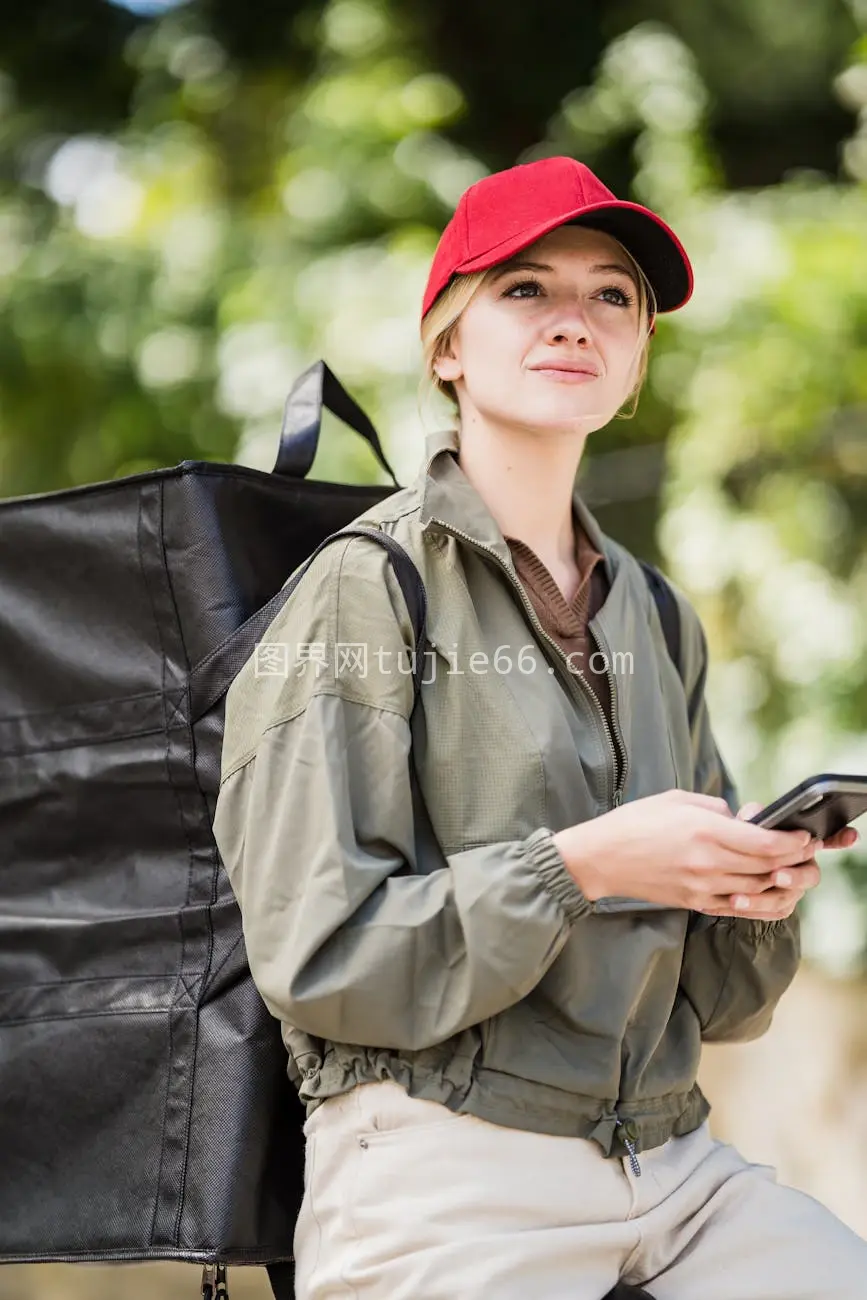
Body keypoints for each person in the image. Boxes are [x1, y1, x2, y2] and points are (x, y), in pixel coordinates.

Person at [212, 156, 867, 1299]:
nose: (577, 320)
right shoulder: (365, 591)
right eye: (526, 289)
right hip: (445, 1169)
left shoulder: (658, 614)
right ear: (447, 348)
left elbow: (725, 1008)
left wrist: (752, 895)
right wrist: (581, 866)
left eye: (613, 296)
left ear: (638, 357)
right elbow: (320, 956)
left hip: (674, 1167)